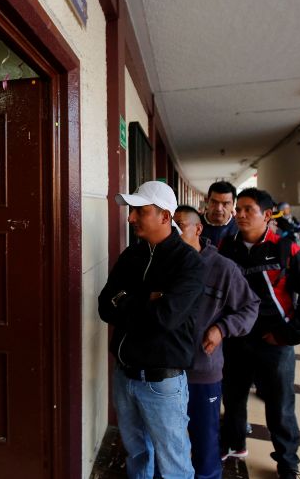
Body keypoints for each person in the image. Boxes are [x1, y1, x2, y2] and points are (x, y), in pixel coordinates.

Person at [98, 181, 205, 479]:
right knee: (137, 455)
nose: (130, 218)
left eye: (140, 211)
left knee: (174, 466)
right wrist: (148, 298)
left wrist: (125, 300)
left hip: (162, 384)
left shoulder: (189, 263)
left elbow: (165, 319)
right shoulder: (131, 255)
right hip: (124, 377)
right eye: (132, 211)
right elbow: (105, 307)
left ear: (165, 216)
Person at [218, 188, 300, 479]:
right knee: (233, 398)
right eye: (238, 209)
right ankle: (233, 443)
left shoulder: (285, 249)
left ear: (266, 215)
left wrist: (289, 335)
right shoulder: (227, 248)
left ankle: (287, 461)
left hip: (274, 343)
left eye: (247, 209)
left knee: (280, 405)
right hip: (236, 340)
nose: (240, 215)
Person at [173, 206, 260, 479]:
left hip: (202, 372)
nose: (174, 232)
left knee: (205, 441)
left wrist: (221, 328)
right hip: (166, 371)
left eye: (180, 226)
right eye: (170, 226)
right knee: (168, 440)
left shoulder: (223, 268)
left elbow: (250, 307)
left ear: (198, 229)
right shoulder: (166, 264)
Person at [200, 181, 238, 247]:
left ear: (233, 205)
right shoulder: (193, 225)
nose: (219, 209)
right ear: (207, 201)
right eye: (214, 202)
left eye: (225, 203)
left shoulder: (240, 229)